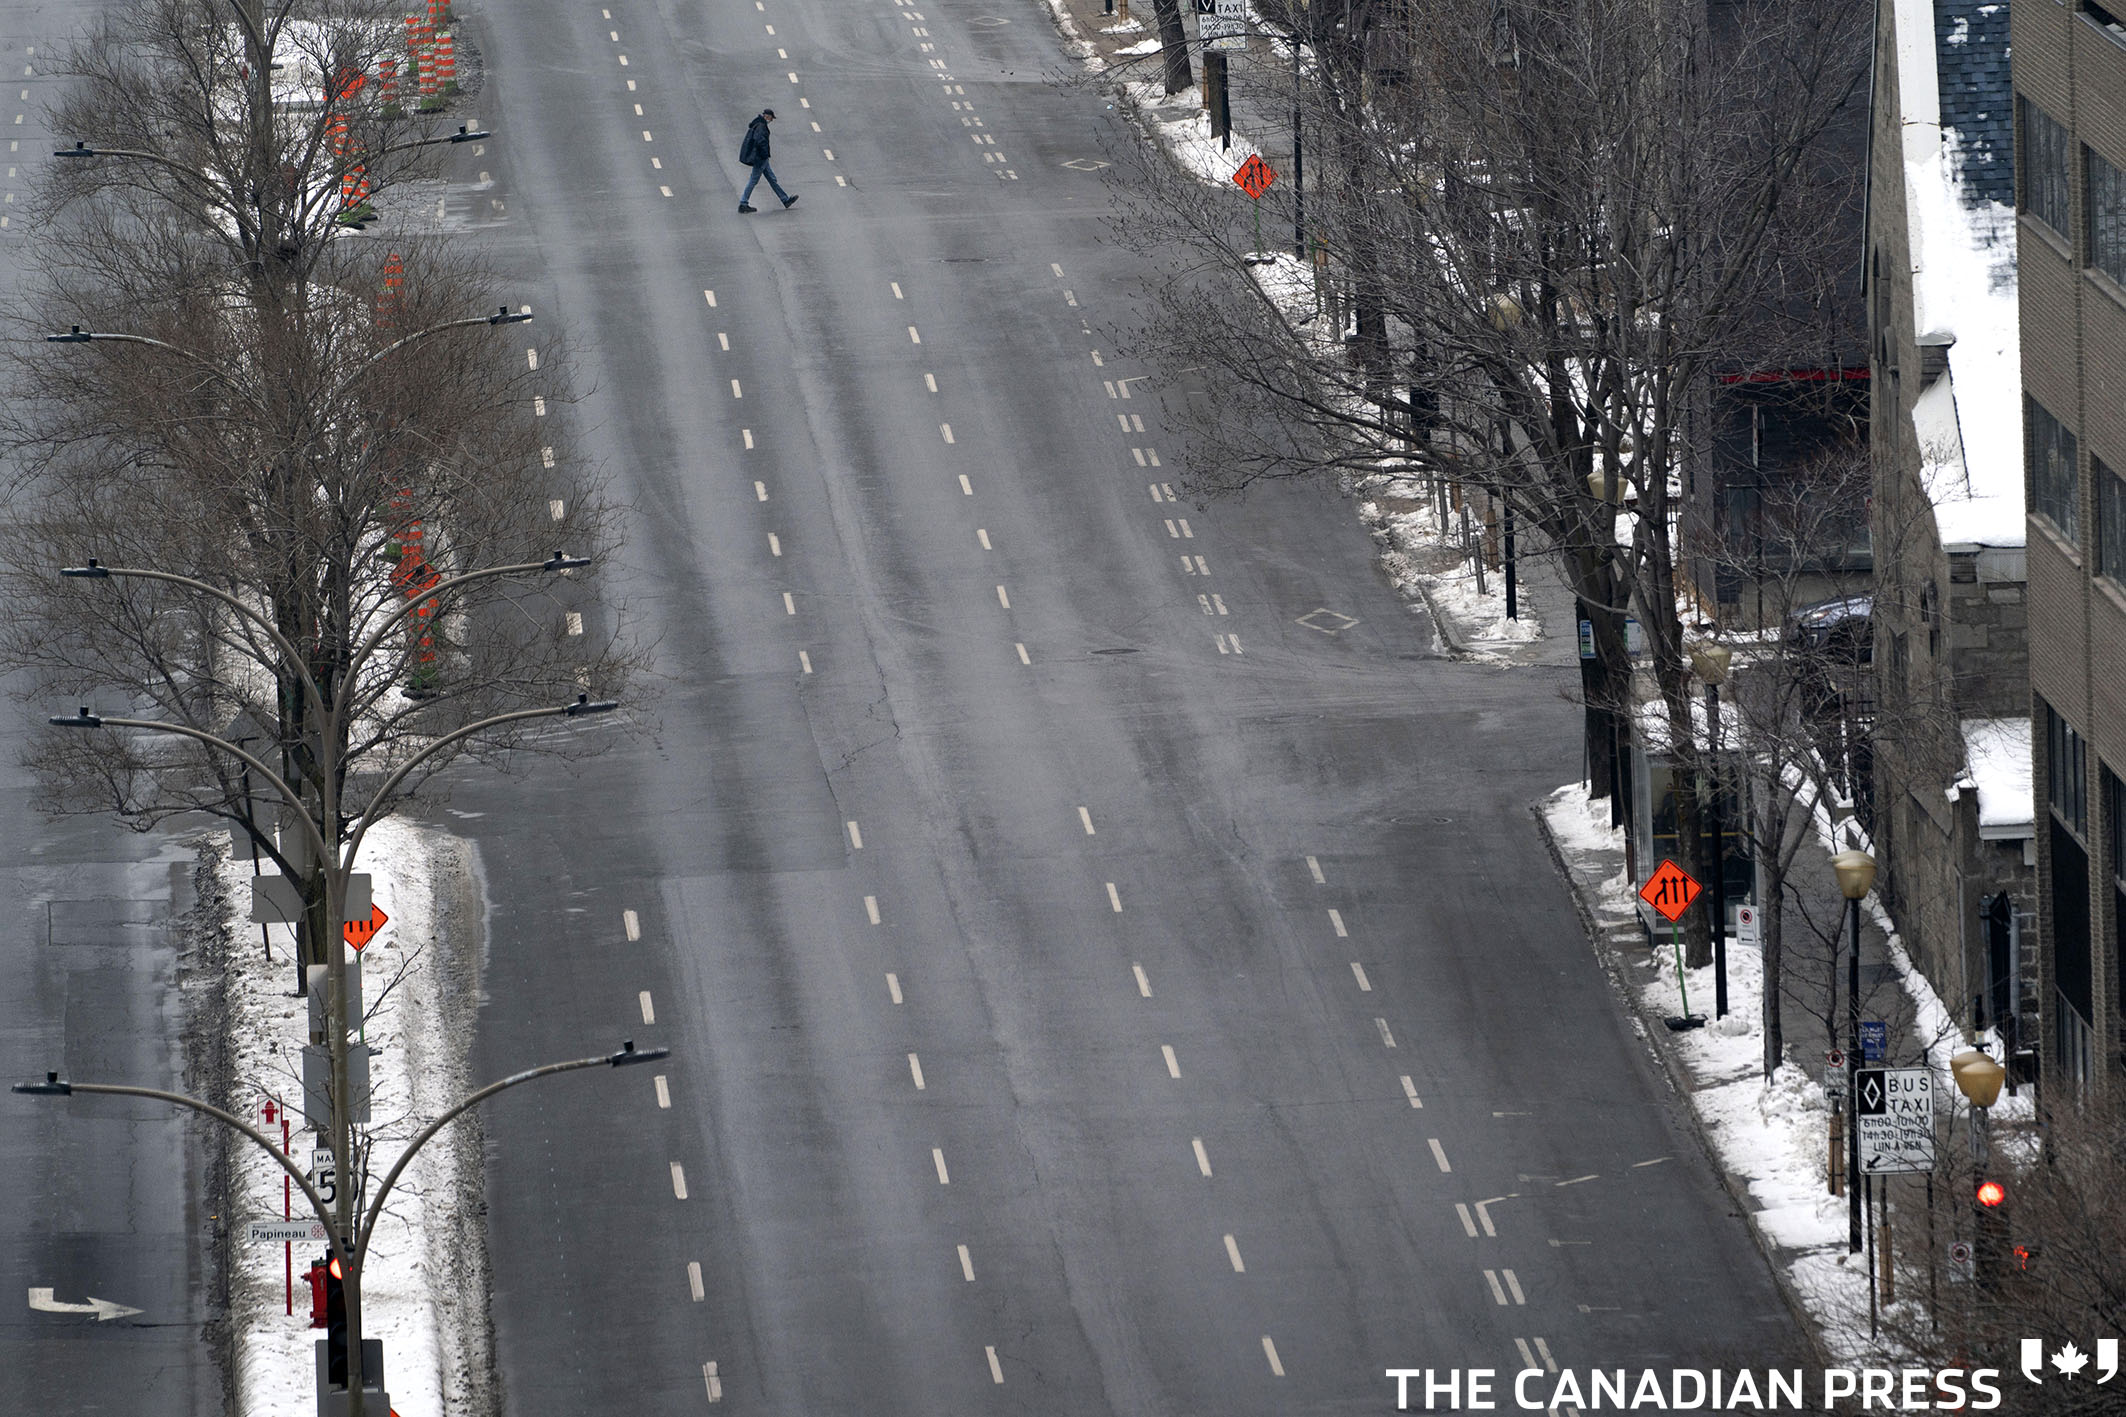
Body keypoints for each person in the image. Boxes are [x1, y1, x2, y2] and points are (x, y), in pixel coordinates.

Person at [737, 108, 796, 213]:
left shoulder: (759, 124)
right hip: (760, 158)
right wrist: (765, 154)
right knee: (753, 180)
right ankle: (743, 203)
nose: (771, 120)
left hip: (762, 158)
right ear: (767, 116)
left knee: (772, 179)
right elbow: (760, 141)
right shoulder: (761, 127)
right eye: (771, 118)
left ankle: (785, 199)